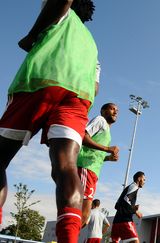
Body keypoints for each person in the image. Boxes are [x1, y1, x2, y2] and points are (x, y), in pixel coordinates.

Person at [0, 0, 99, 241]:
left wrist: (31, 36)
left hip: (40, 82)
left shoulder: (62, 14)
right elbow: (95, 86)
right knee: (66, 166)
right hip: (79, 97)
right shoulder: (92, 46)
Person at [78, 103, 119, 226]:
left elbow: (96, 155)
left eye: (117, 110)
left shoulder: (107, 131)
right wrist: (107, 149)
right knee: (84, 215)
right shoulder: (100, 120)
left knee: (84, 217)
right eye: (112, 109)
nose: (115, 112)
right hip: (85, 167)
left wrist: (107, 158)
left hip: (92, 171)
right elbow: (84, 137)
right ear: (103, 111)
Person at [111, 171, 145, 243]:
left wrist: (133, 207)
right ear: (139, 179)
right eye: (144, 179)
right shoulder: (134, 186)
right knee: (135, 241)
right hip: (125, 220)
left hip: (116, 221)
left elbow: (117, 205)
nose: (144, 182)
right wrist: (136, 211)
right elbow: (126, 200)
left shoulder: (128, 188)